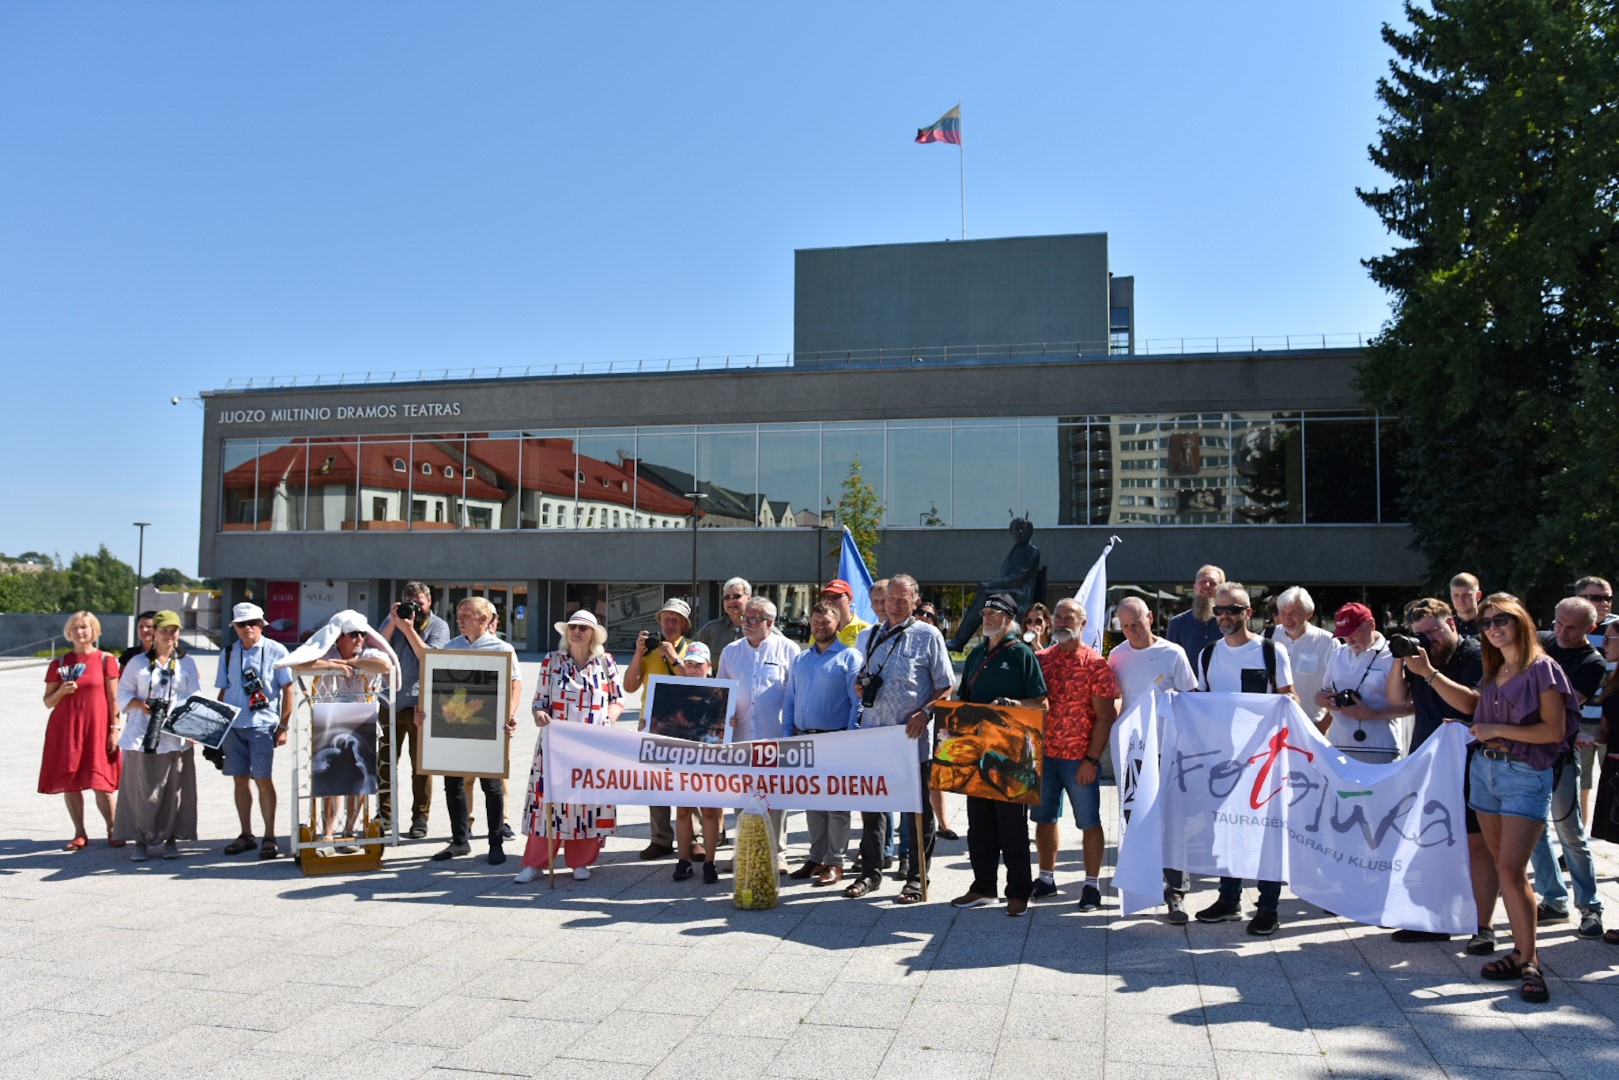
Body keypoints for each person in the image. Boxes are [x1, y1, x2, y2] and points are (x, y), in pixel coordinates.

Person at [1467, 593, 1579, 1004]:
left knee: (1512, 870)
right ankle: (1519, 953)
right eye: (1486, 623)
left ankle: (1530, 961)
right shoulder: (1494, 669)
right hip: (1485, 772)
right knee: (1503, 867)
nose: (1493, 628)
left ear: (1520, 622)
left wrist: (1496, 729)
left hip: (1525, 775)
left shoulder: (1542, 668)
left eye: (1501, 619)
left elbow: (1553, 731)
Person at [1190, 582, 1296, 936]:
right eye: (1218, 610)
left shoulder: (1271, 651)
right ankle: (1229, 899)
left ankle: (1268, 907)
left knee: (1267, 835)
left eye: (1232, 610)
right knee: (1227, 830)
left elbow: (1290, 699)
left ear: (1248, 613)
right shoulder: (1208, 654)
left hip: (1266, 761)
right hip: (1224, 761)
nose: (1224, 616)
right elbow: (1201, 705)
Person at [1383, 597, 1486, 944]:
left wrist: (1429, 672)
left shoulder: (1474, 654)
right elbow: (1397, 699)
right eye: (1420, 634)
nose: (1428, 640)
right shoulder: (1421, 659)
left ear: (1452, 624)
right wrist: (1399, 658)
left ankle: (1479, 921)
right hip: (1428, 760)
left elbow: (1470, 703)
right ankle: (1434, 917)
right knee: (1430, 840)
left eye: (1433, 631)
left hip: (1468, 762)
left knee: (1471, 844)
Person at [845, 574, 952, 904]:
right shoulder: (871, 634)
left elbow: (946, 685)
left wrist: (925, 713)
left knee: (917, 810)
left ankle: (917, 877)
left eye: (902, 599)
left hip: (910, 738)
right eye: (890, 598)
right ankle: (870, 872)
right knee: (872, 808)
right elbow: (864, 677)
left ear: (915, 601)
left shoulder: (928, 635)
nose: (893, 604)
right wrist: (861, 685)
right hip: (874, 736)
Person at [947, 592, 1049, 916]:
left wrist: (1014, 704)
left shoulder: (1021, 654)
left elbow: (1042, 704)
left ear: (1009, 619)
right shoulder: (977, 653)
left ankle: (1018, 891)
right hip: (978, 750)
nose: (987, 617)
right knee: (979, 825)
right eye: (985, 612)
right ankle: (983, 887)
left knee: (1012, 826)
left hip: (1012, 752)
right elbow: (964, 698)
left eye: (994, 613)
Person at [1106, 596, 1199, 923]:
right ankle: (1142, 883)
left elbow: (1190, 699)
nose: (1132, 630)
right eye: (1125, 626)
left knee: (1172, 822)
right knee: (1136, 819)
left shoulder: (1173, 653)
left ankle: (1176, 892)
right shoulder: (1116, 656)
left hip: (1168, 750)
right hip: (1133, 752)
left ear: (1150, 618)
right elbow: (1114, 698)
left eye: (1137, 623)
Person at [518, 610, 622, 884]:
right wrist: (539, 714)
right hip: (556, 746)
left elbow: (617, 699)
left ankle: (580, 861)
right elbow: (539, 701)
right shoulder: (552, 661)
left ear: (593, 634)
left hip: (592, 746)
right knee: (548, 803)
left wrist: (609, 719)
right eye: (572, 627)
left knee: (585, 802)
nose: (576, 632)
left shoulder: (605, 662)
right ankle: (536, 862)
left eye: (583, 628)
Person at [1527, 597, 1605, 938]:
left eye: (1571, 627)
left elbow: (1559, 705)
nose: (1561, 631)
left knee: (1570, 833)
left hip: (1559, 755)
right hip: (1526, 754)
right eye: (1558, 623)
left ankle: (1590, 907)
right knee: (1533, 832)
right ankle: (1554, 900)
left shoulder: (1591, 661)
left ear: (1590, 628)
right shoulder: (1543, 641)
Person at [1031, 598, 1117, 911]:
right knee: (1044, 819)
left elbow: (1106, 716)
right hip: (1043, 757)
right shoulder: (1040, 659)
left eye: (1070, 618)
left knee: (1089, 822)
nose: (1063, 623)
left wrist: (1092, 760)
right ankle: (1046, 879)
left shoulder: (1095, 664)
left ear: (1083, 624)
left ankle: (1091, 885)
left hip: (1078, 759)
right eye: (1058, 617)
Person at [288, 613, 392, 854]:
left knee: (359, 779)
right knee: (331, 781)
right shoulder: (328, 654)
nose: (359, 639)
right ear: (339, 638)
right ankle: (327, 833)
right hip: (330, 721)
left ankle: (349, 831)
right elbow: (298, 664)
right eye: (353, 635)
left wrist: (352, 664)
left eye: (362, 634)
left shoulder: (368, 653)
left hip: (362, 721)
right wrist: (333, 666)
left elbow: (385, 665)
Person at [429, 597, 521, 865]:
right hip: (454, 726)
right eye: (459, 614)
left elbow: (515, 684)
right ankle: (459, 841)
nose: (460, 619)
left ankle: (495, 843)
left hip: (487, 728)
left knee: (491, 786)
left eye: (467, 615)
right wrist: (427, 711)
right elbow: (437, 686)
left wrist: (509, 713)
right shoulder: (450, 648)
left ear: (484, 619)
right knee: (453, 784)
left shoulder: (502, 649)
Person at [782, 601, 863, 887]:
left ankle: (835, 861)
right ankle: (816, 857)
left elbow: (857, 702)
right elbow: (790, 698)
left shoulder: (849, 657)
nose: (820, 627)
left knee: (837, 804)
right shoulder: (801, 659)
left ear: (837, 624)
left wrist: (851, 736)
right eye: (816, 622)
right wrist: (786, 734)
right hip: (805, 739)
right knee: (813, 802)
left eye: (826, 622)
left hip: (836, 738)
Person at [112, 610, 201, 861]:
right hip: (141, 734)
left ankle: (171, 839)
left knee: (174, 790)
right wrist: (141, 705)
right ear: (155, 633)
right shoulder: (138, 662)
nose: (169, 635)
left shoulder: (187, 663)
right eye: (164, 630)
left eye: (174, 630)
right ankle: (140, 840)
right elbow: (122, 694)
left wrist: (193, 727)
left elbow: (194, 696)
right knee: (141, 791)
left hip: (175, 736)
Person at [718, 597, 799, 859]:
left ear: (770, 623)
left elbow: (795, 693)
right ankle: (744, 855)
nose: (747, 623)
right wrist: (724, 716)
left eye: (754, 619)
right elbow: (720, 694)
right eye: (745, 618)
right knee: (742, 798)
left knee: (775, 797)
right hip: (740, 738)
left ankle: (777, 854)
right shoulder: (731, 651)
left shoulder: (788, 649)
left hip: (775, 737)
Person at [216, 603, 294, 859]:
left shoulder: (277, 650)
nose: (247, 627)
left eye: (252, 623)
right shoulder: (228, 652)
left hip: (262, 724)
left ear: (262, 624)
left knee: (262, 779)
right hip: (233, 725)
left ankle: (269, 835)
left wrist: (283, 726)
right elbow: (223, 691)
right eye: (241, 623)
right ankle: (246, 834)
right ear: (235, 627)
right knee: (239, 780)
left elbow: (288, 689)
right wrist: (216, 727)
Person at [41, 611, 122, 851]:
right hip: (66, 729)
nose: (80, 632)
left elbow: (114, 700)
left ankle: (113, 829)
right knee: (71, 782)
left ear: (94, 630)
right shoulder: (59, 663)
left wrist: (114, 729)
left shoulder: (106, 660)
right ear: (69, 632)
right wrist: (62, 691)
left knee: (101, 782)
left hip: (97, 728)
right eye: (75, 627)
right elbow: (48, 702)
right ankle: (79, 832)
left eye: (85, 627)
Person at [378, 582, 451, 838]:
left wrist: (408, 629)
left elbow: (430, 657)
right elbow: (377, 647)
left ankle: (420, 817)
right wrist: (393, 621)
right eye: (410, 603)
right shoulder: (395, 619)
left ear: (429, 602)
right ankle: (384, 814)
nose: (415, 609)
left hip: (420, 704)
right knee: (385, 763)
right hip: (389, 701)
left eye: (419, 603)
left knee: (421, 767)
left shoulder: (438, 626)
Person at [624, 597, 694, 860]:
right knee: (655, 783)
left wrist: (674, 658)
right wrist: (638, 652)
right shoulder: (649, 650)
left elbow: (696, 682)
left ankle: (694, 837)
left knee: (689, 782)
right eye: (666, 618)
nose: (670, 623)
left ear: (684, 624)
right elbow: (629, 686)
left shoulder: (693, 649)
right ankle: (661, 838)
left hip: (687, 725)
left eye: (675, 619)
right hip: (653, 723)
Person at [1318, 603, 1410, 763]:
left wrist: (1372, 714)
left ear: (1371, 624)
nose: (1349, 640)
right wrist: (1322, 700)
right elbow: (1323, 693)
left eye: (1354, 632)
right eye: (1344, 634)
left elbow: (1413, 707)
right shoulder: (1338, 653)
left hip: (1381, 749)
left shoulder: (1395, 655)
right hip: (1338, 747)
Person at [667, 642, 725, 884]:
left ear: (708, 666)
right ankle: (683, 861)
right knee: (683, 810)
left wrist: (730, 722)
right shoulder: (673, 691)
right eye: (688, 664)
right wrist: (646, 724)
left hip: (710, 759)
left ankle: (710, 862)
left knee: (710, 812)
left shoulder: (722, 692)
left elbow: (727, 723)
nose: (692, 669)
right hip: (682, 759)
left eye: (698, 665)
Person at [946, 516, 1042, 651]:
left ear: (1030, 531)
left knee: (986, 596)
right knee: (985, 594)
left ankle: (960, 641)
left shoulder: (1031, 551)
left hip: (1019, 596)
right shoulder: (1016, 550)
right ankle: (963, 640)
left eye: (1023, 529)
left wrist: (991, 585)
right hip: (1010, 593)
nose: (1019, 532)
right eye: (1016, 529)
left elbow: (1016, 578)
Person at [1572, 575, 1614, 829]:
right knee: (1580, 783)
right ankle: (1581, 838)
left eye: (1607, 597)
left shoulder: (1617, 628)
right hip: (1580, 720)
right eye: (1596, 598)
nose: (1604, 603)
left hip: (1612, 719)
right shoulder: (1565, 628)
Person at [1266, 587, 1337, 733]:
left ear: (1309, 613)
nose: (1287, 619)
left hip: (1310, 726)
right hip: (1272, 726)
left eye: (1293, 613)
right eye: (1283, 613)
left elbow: (1339, 689)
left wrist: (1322, 727)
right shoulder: (1268, 636)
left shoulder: (1328, 642)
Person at [1165, 565, 1225, 660]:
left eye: (1212, 583)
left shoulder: (1229, 622)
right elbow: (1170, 660)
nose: (1206, 586)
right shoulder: (1177, 623)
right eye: (1202, 582)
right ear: (1195, 588)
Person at [695, 577, 752, 657]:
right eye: (727, 597)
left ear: (749, 599)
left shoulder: (759, 628)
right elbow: (690, 651)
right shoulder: (711, 630)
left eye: (737, 596)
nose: (731, 601)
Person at [820, 579, 872, 648]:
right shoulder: (820, 629)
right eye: (827, 597)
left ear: (850, 599)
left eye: (836, 596)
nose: (830, 601)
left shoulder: (867, 630)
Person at [1450, 572, 1483, 638]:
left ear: (1478, 595)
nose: (1460, 600)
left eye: (1466, 595)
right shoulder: (1447, 628)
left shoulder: (1490, 625)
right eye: (1456, 595)